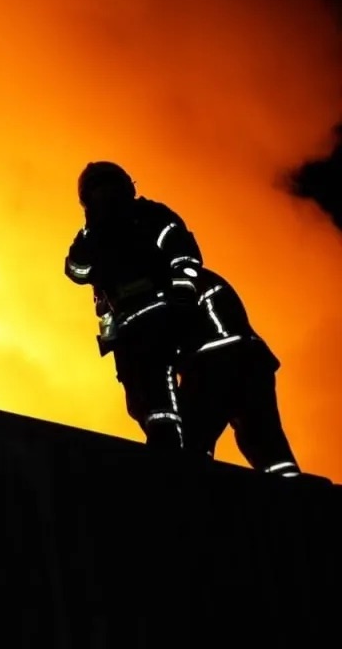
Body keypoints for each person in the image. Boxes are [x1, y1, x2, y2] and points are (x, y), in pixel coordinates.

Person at [64, 161, 203, 451]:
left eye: (109, 188)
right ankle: (171, 441)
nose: (106, 196)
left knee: (158, 388)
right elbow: (76, 271)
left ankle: (169, 447)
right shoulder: (94, 235)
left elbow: (184, 257)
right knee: (140, 396)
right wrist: (89, 233)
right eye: (99, 191)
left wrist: (181, 300)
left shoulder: (150, 216)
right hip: (127, 328)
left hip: (160, 316)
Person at [175, 266, 301, 478]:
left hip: (214, 365)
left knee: (188, 440)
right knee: (266, 443)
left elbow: (159, 347)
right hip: (251, 360)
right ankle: (298, 497)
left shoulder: (161, 284)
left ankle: (188, 495)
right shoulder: (193, 276)